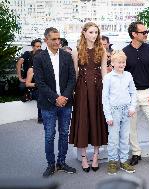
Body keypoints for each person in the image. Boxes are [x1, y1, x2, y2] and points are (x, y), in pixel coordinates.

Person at [33, 27, 76, 177]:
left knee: (64, 134)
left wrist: (64, 96)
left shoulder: (66, 56)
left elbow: (72, 79)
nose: (58, 41)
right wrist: (55, 98)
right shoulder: (39, 58)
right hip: (48, 104)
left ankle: (62, 162)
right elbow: (40, 82)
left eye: (59, 39)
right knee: (49, 135)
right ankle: (51, 164)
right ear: (46, 40)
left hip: (66, 103)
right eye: (54, 39)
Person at [123, 21, 149, 167]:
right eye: (143, 32)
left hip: (148, 93)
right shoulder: (124, 52)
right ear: (134, 34)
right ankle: (136, 153)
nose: (146, 34)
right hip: (131, 95)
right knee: (131, 127)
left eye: (147, 31)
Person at [69, 22, 108, 173]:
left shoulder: (102, 50)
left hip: (98, 89)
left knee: (97, 120)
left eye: (96, 32)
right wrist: (73, 92)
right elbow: (75, 74)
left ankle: (96, 156)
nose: (94, 35)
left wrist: (106, 92)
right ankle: (84, 158)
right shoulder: (77, 50)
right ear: (84, 33)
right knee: (83, 121)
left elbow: (104, 73)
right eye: (91, 32)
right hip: (82, 90)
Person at [102, 50, 137, 175]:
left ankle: (123, 161)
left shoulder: (128, 75)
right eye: (118, 62)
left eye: (123, 62)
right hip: (114, 111)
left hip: (126, 110)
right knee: (113, 138)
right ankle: (112, 161)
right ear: (112, 63)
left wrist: (132, 107)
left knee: (124, 137)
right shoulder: (108, 78)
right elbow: (105, 98)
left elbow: (133, 92)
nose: (121, 64)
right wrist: (108, 115)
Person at [25, 49, 43, 123]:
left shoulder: (45, 68)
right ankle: (40, 118)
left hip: (42, 89)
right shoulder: (31, 69)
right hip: (34, 91)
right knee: (41, 94)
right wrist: (37, 84)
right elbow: (27, 84)